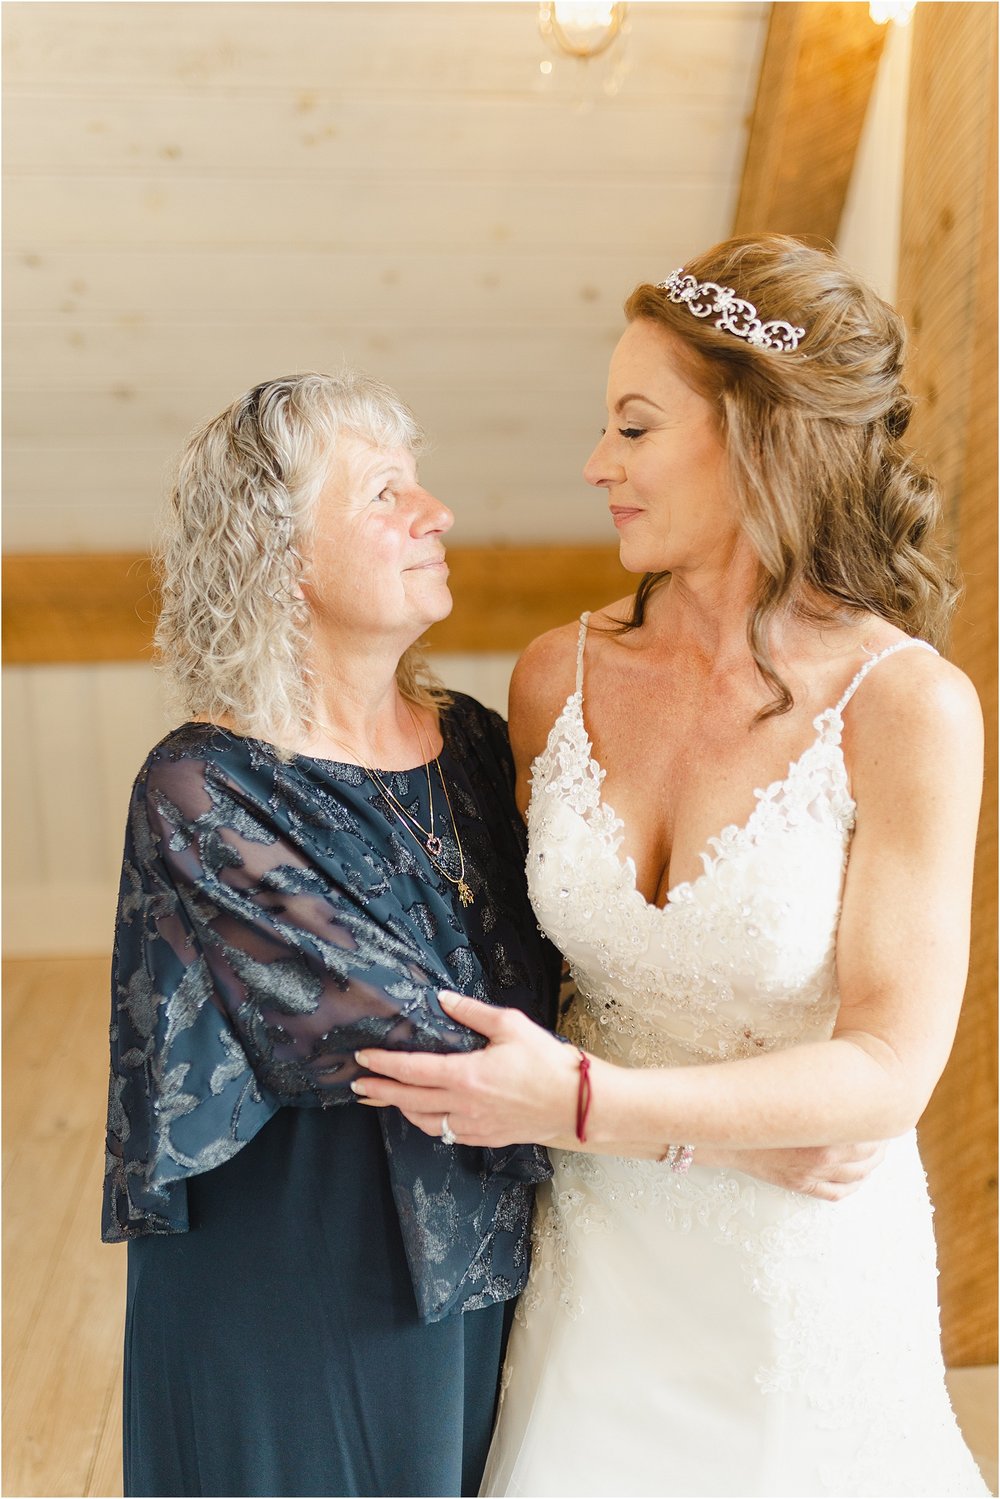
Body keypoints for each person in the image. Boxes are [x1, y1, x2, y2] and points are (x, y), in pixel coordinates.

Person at [353, 237, 990, 1497]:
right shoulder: (558, 676)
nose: (597, 464)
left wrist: (585, 1106)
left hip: (798, 1274)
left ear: (761, 437)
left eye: (634, 429)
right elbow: (508, 970)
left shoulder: (905, 705)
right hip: (596, 1263)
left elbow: (887, 1067)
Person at [101, 371, 563, 1498]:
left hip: (487, 1240)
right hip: (300, 1281)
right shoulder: (202, 784)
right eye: (384, 495)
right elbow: (415, 1033)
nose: (435, 512)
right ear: (285, 557)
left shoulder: (474, 745)